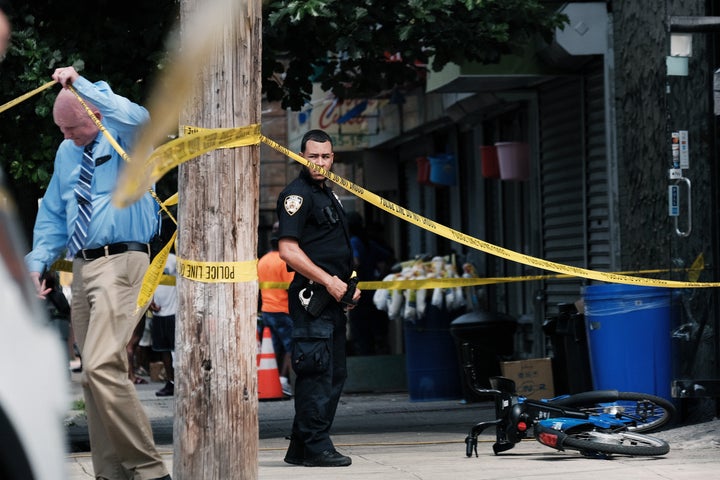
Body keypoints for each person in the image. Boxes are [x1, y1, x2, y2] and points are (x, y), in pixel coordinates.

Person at [25, 66, 171, 480]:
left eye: (71, 127)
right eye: (60, 129)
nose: (65, 136)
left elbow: (139, 117)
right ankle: (110, 473)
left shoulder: (124, 133)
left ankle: (150, 471)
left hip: (123, 260)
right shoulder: (66, 151)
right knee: (93, 377)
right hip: (84, 266)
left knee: (102, 365)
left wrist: (82, 86)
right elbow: (54, 213)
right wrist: (38, 262)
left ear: (95, 116)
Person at [276, 129, 360, 467]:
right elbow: (288, 250)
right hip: (313, 300)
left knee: (333, 373)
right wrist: (329, 282)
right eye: (313, 156)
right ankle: (316, 446)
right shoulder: (296, 195)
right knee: (316, 375)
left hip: (333, 300)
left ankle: (300, 446)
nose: (320, 163)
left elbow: (334, 248)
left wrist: (350, 285)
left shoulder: (328, 194)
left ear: (333, 158)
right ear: (301, 156)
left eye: (326, 157)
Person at [346, 212, 394, 355]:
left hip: (360, 294)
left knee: (361, 334)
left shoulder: (353, 241)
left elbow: (355, 262)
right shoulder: (368, 242)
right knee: (376, 332)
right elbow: (389, 257)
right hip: (373, 293)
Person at [257, 222, 295, 397]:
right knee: (290, 346)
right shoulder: (285, 261)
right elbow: (291, 287)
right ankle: (284, 380)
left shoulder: (262, 261)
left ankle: (273, 380)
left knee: (273, 347)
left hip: (267, 309)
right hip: (284, 310)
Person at [150, 252, 177, 397]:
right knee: (164, 351)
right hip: (158, 313)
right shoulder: (151, 259)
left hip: (173, 311)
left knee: (176, 351)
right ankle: (170, 382)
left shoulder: (174, 259)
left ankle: (180, 382)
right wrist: (150, 302)